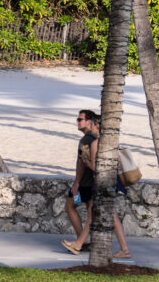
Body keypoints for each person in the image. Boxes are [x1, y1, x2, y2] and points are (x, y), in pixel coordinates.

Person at [61, 109, 129, 259]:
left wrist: (79, 178)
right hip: (108, 181)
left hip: (94, 183)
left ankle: (79, 243)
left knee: (88, 212)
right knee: (110, 214)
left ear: (92, 123)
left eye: (80, 120)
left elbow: (90, 165)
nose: (77, 122)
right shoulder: (107, 141)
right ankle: (123, 248)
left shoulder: (91, 141)